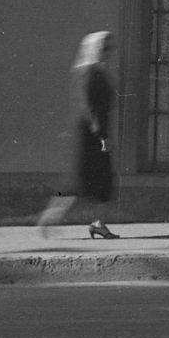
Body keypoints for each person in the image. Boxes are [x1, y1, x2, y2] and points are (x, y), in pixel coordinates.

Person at [39, 32, 122, 239]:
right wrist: (101, 135)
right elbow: (89, 107)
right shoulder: (89, 73)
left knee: (102, 181)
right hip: (91, 134)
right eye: (104, 49)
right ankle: (51, 216)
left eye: (108, 50)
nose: (107, 54)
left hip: (96, 132)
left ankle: (98, 224)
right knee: (81, 179)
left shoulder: (96, 71)